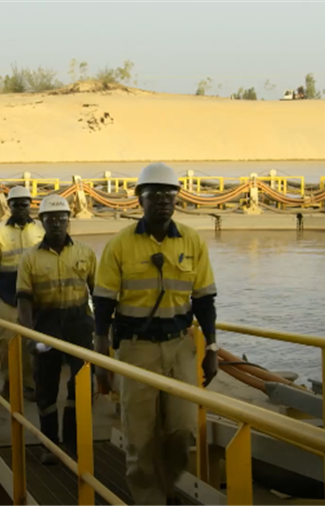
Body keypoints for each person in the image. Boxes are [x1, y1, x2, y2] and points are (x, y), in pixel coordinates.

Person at [92, 162, 219, 505]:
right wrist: (101, 355)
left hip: (180, 347)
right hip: (136, 350)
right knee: (140, 436)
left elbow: (204, 299)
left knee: (182, 430)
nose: (163, 200)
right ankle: (150, 499)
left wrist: (212, 348)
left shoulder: (192, 241)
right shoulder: (120, 245)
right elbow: (103, 304)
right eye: (154, 194)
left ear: (177, 199)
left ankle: (166, 483)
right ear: (140, 200)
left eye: (169, 194)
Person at [16, 193, 97, 465]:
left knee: (81, 383)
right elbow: (24, 299)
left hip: (79, 325)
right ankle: (50, 445)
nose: (57, 224)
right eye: (51, 219)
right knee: (46, 385)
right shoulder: (29, 258)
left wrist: (103, 331)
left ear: (68, 220)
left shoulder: (85, 253)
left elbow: (98, 294)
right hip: (46, 326)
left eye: (61, 219)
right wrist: (29, 334)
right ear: (42, 221)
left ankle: (72, 442)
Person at [0, 186, 44, 402]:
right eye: (16, 205)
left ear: (30, 205)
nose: (20, 208)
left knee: (32, 343)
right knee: (5, 343)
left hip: (34, 298)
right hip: (7, 297)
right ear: (9, 206)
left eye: (24, 204)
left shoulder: (40, 230)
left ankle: (29, 385)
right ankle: (9, 383)